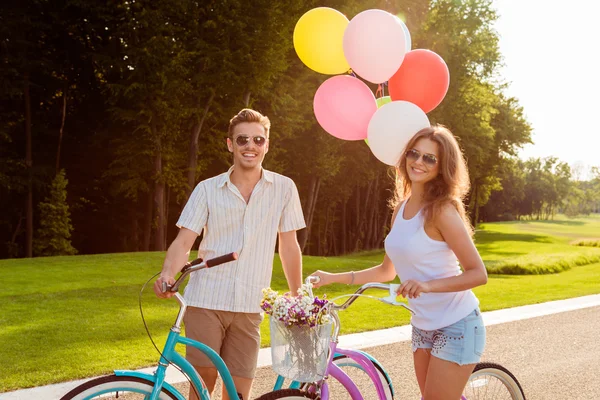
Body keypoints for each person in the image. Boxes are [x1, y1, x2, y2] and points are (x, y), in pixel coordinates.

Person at [311, 125, 488, 399]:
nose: (419, 161)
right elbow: (386, 270)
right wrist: (332, 278)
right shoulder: (400, 209)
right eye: (414, 153)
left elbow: (478, 273)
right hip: (422, 326)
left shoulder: (442, 210)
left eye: (430, 158)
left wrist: (427, 286)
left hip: (457, 325)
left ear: (442, 167)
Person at [153, 108, 306, 400]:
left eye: (258, 140)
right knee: (202, 389)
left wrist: (297, 293)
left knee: (237, 394)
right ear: (230, 144)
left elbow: (289, 246)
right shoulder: (207, 189)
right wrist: (167, 274)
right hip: (207, 300)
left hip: (250, 306)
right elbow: (184, 240)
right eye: (243, 139)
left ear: (267, 145)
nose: (251, 146)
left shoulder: (284, 188)